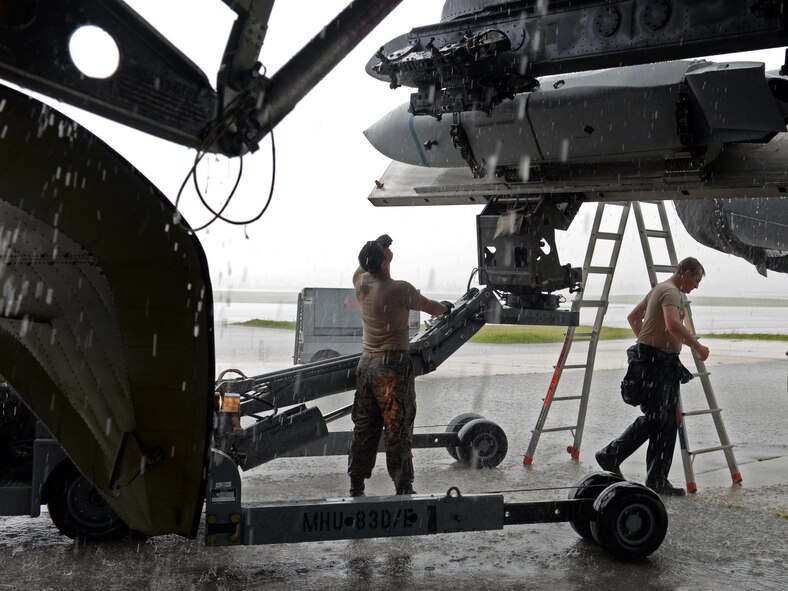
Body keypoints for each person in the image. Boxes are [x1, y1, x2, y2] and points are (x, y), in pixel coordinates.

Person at [595, 257, 710, 496]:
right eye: (696, 279)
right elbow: (673, 325)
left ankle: (657, 480)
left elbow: (633, 318)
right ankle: (611, 454)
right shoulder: (671, 292)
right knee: (658, 417)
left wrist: (646, 343)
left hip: (654, 360)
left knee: (666, 421)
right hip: (656, 363)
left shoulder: (659, 288)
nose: (697, 286)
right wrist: (697, 347)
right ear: (685, 273)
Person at [348, 234, 451, 497]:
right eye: (384, 252)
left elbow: (363, 265)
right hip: (391, 368)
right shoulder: (400, 289)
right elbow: (432, 308)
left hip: (366, 365)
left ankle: (356, 483)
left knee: (365, 427)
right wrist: (446, 308)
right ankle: (403, 487)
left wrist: (376, 248)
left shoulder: (362, 284)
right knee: (397, 428)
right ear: (383, 262)